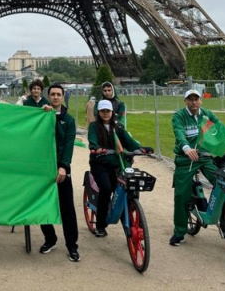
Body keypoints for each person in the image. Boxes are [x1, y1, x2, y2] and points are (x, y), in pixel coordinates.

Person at [170, 89, 225, 246]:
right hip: (186, 159)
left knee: (224, 183)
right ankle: (179, 232)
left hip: (204, 157)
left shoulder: (206, 115)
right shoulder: (179, 116)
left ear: (201, 101)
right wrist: (186, 148)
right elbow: (179, 134)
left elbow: (222, 129)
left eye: (196, 99)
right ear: (185, 101)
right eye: (190, 99)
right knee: (181, 195)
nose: (193, 102)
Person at [88, 100, 147, 238]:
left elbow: (129, 141)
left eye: (107, 111)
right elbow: (92, 140)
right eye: (102, 111)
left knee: (124, 189)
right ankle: (100, 225)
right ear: (98, 112)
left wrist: (141, 149)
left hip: (117, 164)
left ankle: (130, 222)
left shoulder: (118, 127)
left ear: (112, 112)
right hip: (100, 164)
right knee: (106, 189)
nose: (105, 114)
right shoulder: (94, 127)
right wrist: (96, 148)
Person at [39, 83, 80, 262]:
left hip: (61, 167)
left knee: (67, 208)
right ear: (49, 96)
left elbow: (69, 145)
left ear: (63, 97)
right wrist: (42, 115)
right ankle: (50, 238)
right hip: (43, 167)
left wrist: (64, 166)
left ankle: (72, 245)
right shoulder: (42, 115)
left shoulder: (69, 120)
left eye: (58, 94)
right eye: (53, 94)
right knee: (42, 204)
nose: (55, 97)